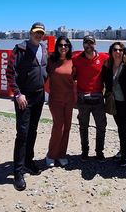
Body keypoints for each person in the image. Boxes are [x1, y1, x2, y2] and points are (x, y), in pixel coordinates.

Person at [6, 22, 48, 191]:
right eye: (36, 32)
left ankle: (29, 162)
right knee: (22, 133)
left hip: (39, 95)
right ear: (30, 32)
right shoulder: (20, 49)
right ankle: (18, 171)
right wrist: (17, 94)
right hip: (24, 97)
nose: (39, 35)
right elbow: (9, 73)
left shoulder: (44, 49)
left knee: (33, 131)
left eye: (41, 33)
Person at [72, 35, 109, 162]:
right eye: (86, 43)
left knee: (101, 126)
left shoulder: (103, 57)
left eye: (91, 43)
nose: (88, 46)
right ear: (83, 45)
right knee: (83, 126)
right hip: (82, 99)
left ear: (95, 44)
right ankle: (85, 151)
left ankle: (99, 152)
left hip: (98, 98)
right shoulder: (76, 58)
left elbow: (118, 60)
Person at [102, 42, 126, 167]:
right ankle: (123, 151)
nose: (118, 52)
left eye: (120, 50)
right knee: (120, 127)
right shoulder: (107, 66)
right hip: (114, 103)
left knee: (124, 128)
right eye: (115, 49)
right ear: (111, 51)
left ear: (123, 52)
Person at [46, 36, 75, 168]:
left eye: (66, 45)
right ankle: (51, 155)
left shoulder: (72, 62)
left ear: (69, 47)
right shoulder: (50, 61)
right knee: (59, 127)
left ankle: (61, 155)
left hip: (69, 98)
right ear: (57, 47)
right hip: (55, 98)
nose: (63, 47)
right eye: (61, 45)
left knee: (67, 127)